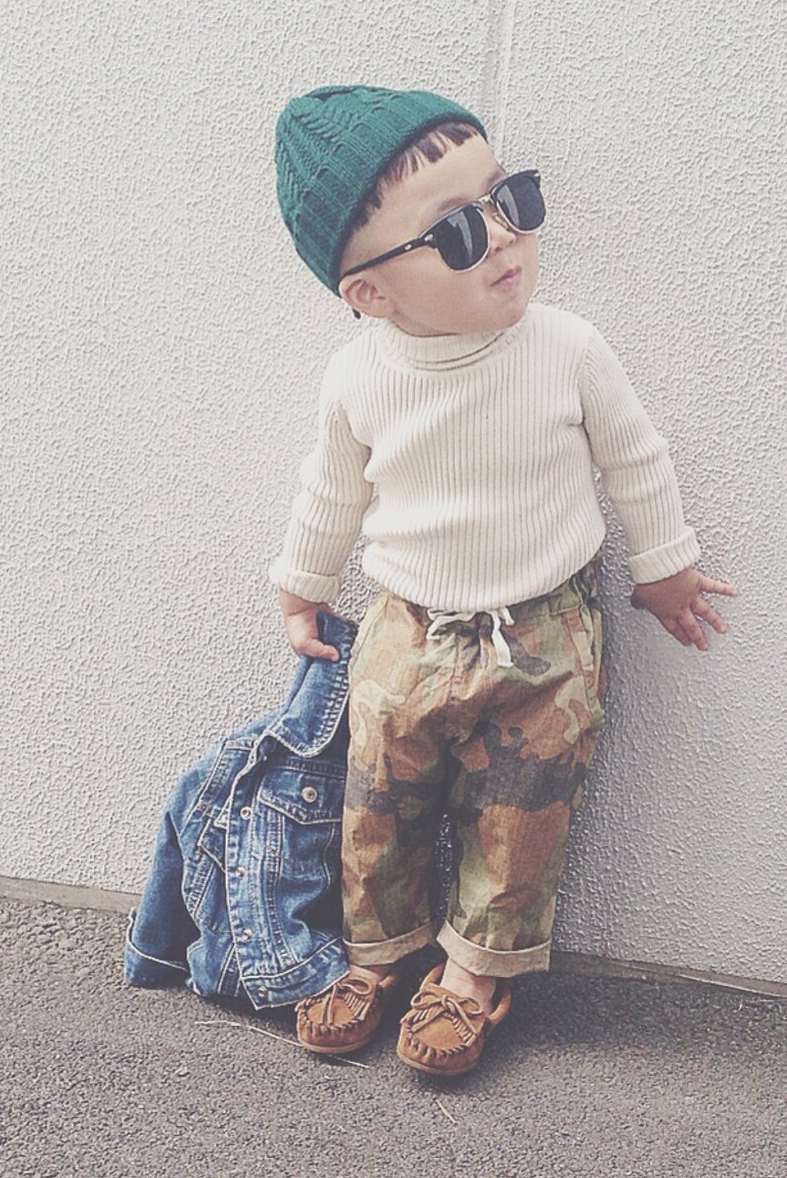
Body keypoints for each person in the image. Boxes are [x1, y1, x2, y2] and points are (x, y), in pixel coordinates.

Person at [267, 84, 738, 1077]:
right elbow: (332, 490)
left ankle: (473, 973)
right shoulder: (358, 378)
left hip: (543, 633)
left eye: (509, 197)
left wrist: (664, 565)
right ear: (370, 293)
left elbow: (635, 459)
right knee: (378, 798)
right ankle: (377, 949)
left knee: (521, 814)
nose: (502, 234)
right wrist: (302, 583)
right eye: (454, 230)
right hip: (405, 628)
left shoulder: (565, 347)